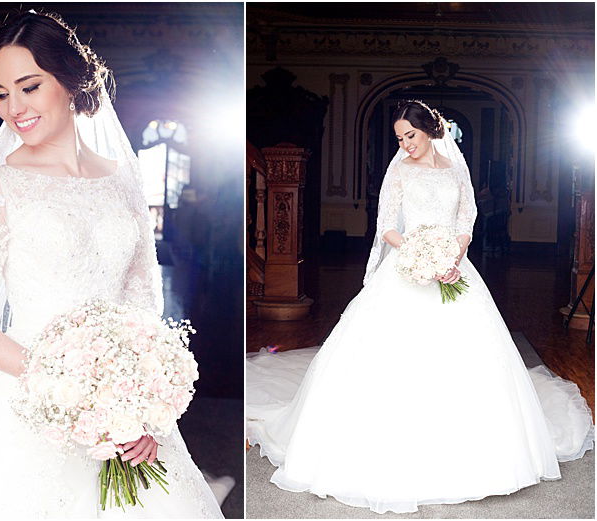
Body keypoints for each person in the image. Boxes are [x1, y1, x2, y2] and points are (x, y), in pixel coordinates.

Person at [0, 11, 224, 518]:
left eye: (28, 87)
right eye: (1, 93)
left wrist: (141, 403)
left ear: (70, 82)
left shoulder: (123, 179)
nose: (13, 108)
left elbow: (142, 303)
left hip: (125, 408)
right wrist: (69, 390)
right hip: (27, 399)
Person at [246, 100, 594, 514]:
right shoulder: (400, 171)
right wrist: (415, 252)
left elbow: (468, 214)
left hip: (454, 266)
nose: (405, 144)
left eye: (410, 135)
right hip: (406, 266)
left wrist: (454, 251)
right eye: (399, 138)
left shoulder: (454, 170)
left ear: (430, 130)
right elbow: (387, 226)